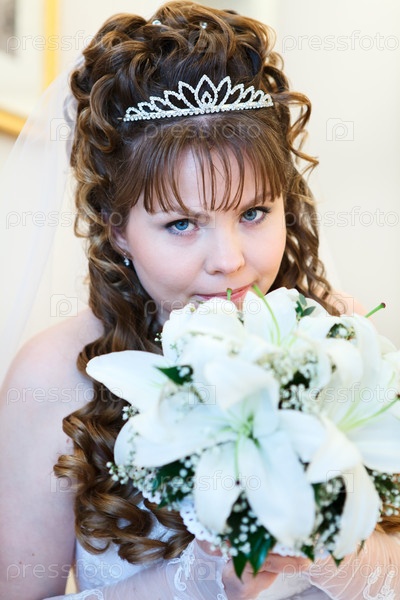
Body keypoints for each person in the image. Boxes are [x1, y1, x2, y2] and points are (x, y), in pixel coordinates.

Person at [0, 1, 399, 599]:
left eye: (254, 212)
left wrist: (318, 551)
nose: (229, 260)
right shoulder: (55, 376)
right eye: (183, 224)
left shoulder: (339, 333)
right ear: (117, 229)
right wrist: (202, 578)